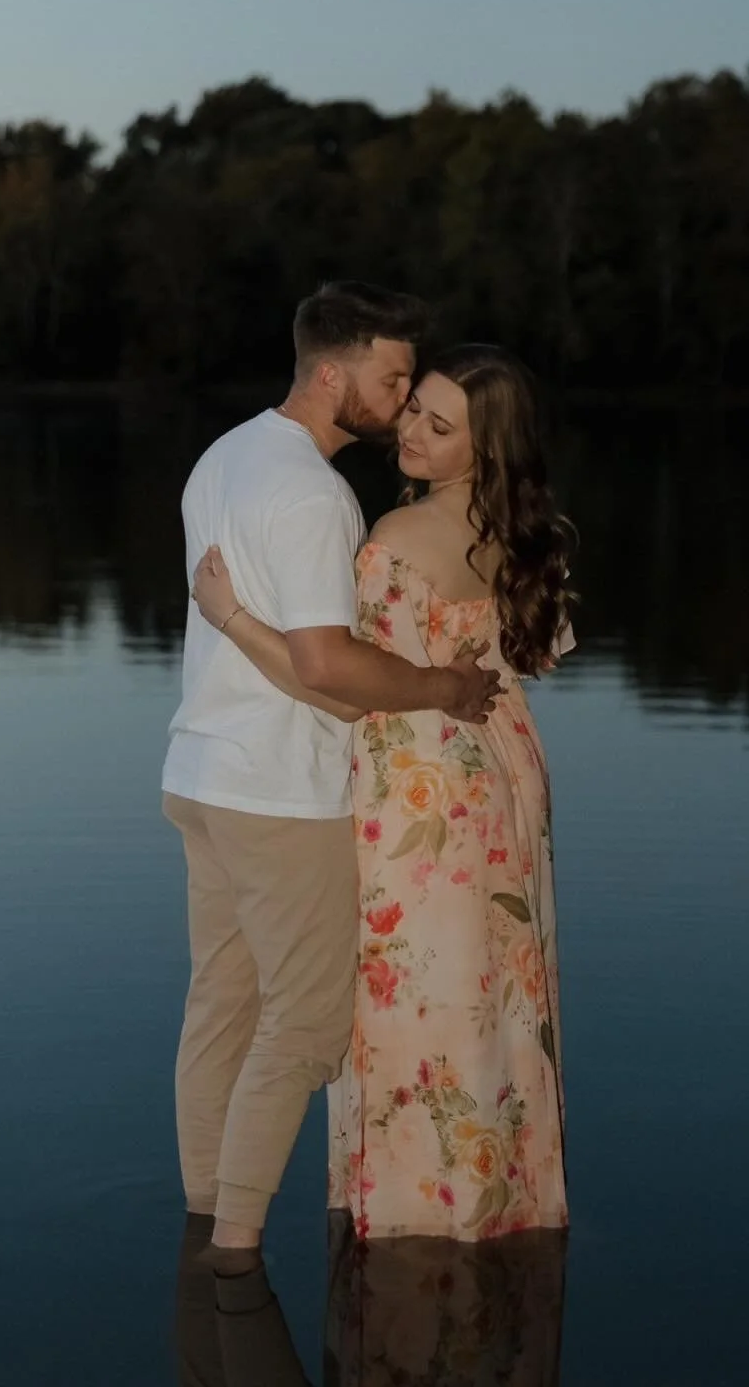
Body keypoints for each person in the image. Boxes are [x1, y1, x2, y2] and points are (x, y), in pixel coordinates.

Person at [192, 344, 576, 1243]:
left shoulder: (396, 545)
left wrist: (232, 618)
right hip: (508, 775)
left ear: (487, 450)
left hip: (420, 788)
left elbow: (334, 679)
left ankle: (415, 1209)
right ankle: (501, 1196)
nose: (410, 432)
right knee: (494, 986)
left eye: (441, 429)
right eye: (414, 412)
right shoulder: (531, 532)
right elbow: (536, 655)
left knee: (417, 993)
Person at [162, 285, 501, 1287]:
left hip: (199, 772)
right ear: (330, 373)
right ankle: (234, 1256)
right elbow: (329, 672)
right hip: (276, 792)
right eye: (392, 378)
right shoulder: (314, 494)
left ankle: (200, 1217)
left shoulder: (224, 453)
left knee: (222, 1003)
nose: (401, 403)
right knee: (305, 1026)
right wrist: (443, 685)